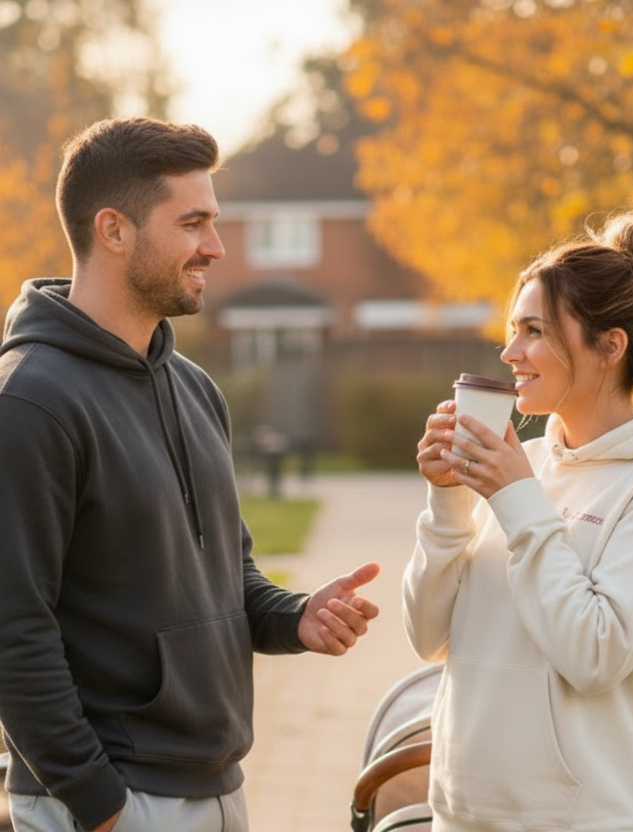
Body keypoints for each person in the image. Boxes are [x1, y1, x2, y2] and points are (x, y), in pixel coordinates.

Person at [0, 117, 381, 832]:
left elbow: (227, 576)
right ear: (114, 231)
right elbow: (12, 625)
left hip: (217, 784)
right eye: (194, 223)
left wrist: (297, 616)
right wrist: (96, 803)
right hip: (108, 801)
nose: (217, 247)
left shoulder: (194, 388)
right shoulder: (28, 402)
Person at [405, 213, 633, 831]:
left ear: (610, 346)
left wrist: (519, 501)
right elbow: (428, 635)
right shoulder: (527, 466)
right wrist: (448, 501)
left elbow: (595, 652)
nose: (509, 350)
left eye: (534, 330)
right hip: (463, 819)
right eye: (513, 329)